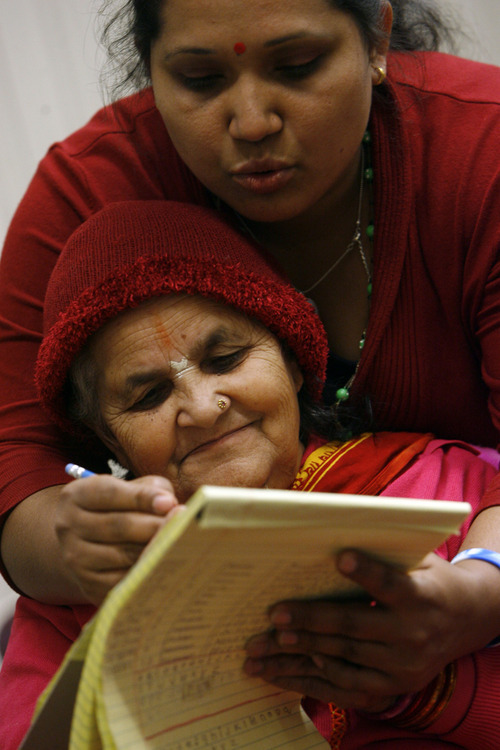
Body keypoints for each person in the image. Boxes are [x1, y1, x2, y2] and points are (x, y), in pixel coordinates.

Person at [0, 0, 499, 732]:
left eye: (296, 67)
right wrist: (77, 554)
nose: (254, 121)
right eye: (200, 79)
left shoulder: (440, 490)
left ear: (379, 37)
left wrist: (481, 600)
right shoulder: (90, 192)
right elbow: (20, 467)